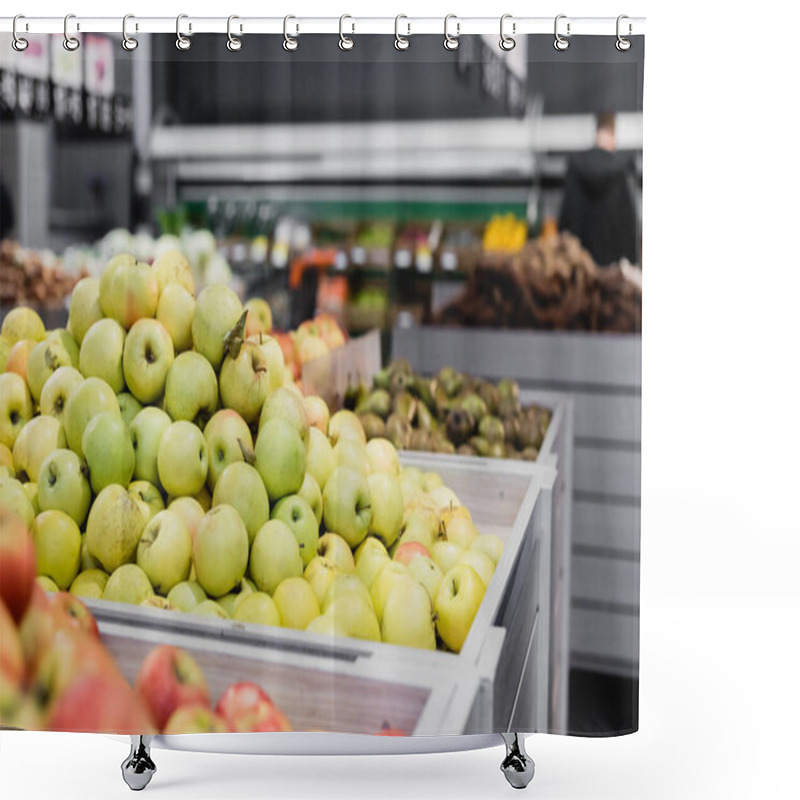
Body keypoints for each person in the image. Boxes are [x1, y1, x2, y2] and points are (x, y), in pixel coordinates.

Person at [558, 112, 638, 266]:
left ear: (596, 131)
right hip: (614, 274)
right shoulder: (623, 170)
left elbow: (565, 222)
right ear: (614, 133)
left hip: (582, 271)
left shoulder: (575, 168)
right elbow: (631, 228)